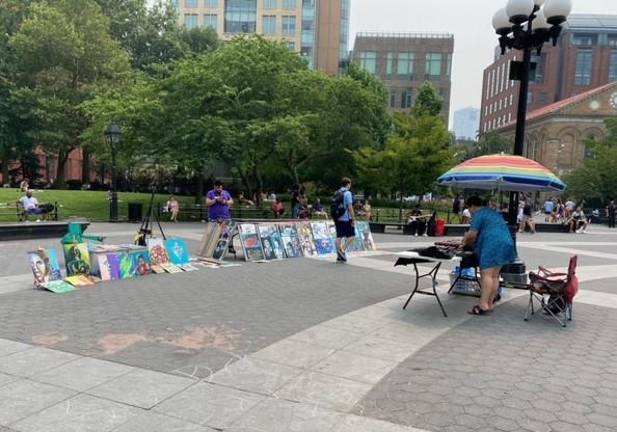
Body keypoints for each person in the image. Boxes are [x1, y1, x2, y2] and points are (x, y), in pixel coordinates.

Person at [462, 196, 516, 315]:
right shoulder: (492, 212)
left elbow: (471, 235)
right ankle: (490, 304)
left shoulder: (478, 214)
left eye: (468, 209)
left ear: (472, 206)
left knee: (486, 275)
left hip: (493, 244)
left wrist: (465, 243)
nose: (469, 212)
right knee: (495, 276)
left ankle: (483, 305)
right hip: (506, 242)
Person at [333, 177, 355, 263]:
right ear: (348, 184)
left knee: (339, 236)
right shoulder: (348, 193)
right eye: (350, 184)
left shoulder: (337, 192)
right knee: (352, 235)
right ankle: (342, 250)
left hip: (337, 217)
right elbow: (350, 207)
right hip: (346, 218)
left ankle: (339, 256)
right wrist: (353, 219)